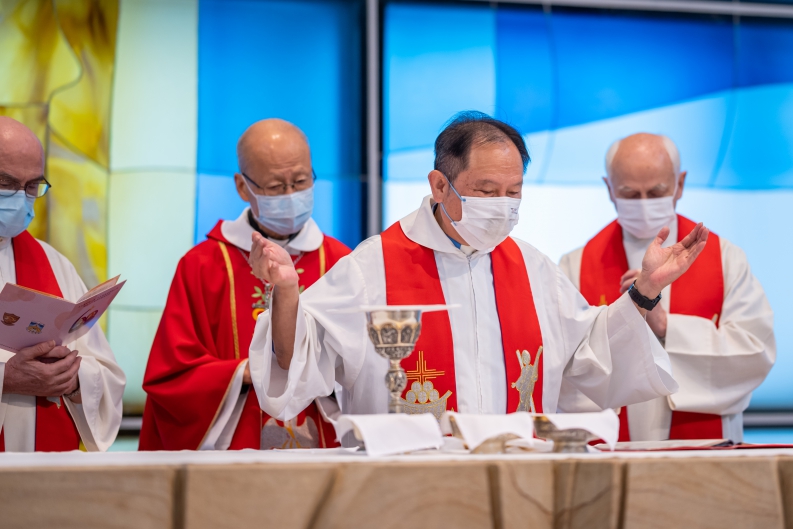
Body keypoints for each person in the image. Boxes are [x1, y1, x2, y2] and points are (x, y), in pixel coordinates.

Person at [246, 112, 710, 427]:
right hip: (407, 493)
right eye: (486, 191)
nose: (502, 206)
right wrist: (286, 291)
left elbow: (593, 353)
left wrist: (645, 290)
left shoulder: (533, 269)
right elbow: (295, 360)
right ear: (439, 185)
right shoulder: (372, 266)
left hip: (515, 485)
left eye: (514, 191)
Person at [139, 119, 350, 450]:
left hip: (322, 445)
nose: (291, 195)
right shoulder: (202, 265)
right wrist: (247, 372)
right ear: (242, 187)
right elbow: (171, 375)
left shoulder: (341, 262)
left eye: (300, 181)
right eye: (276, 187)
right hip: (234, 447)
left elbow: (361, 365)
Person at [559, 133, 775, 442]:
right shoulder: (575, 266)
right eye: (630, 194)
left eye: (656, 191)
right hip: (610, 454)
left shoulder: (726, 258)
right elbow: (566, 370)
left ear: (680, 184)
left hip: (704, 453)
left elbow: (755, 353)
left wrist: (666, 327)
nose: (644, 204)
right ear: (609, 188)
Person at [0, 116, 125, 452]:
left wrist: (73, 378)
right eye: (5, 183)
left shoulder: (53, 263)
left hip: (43, 471)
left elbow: (107, 375)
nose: (20, 199)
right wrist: (5, 379)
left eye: (32, 187)